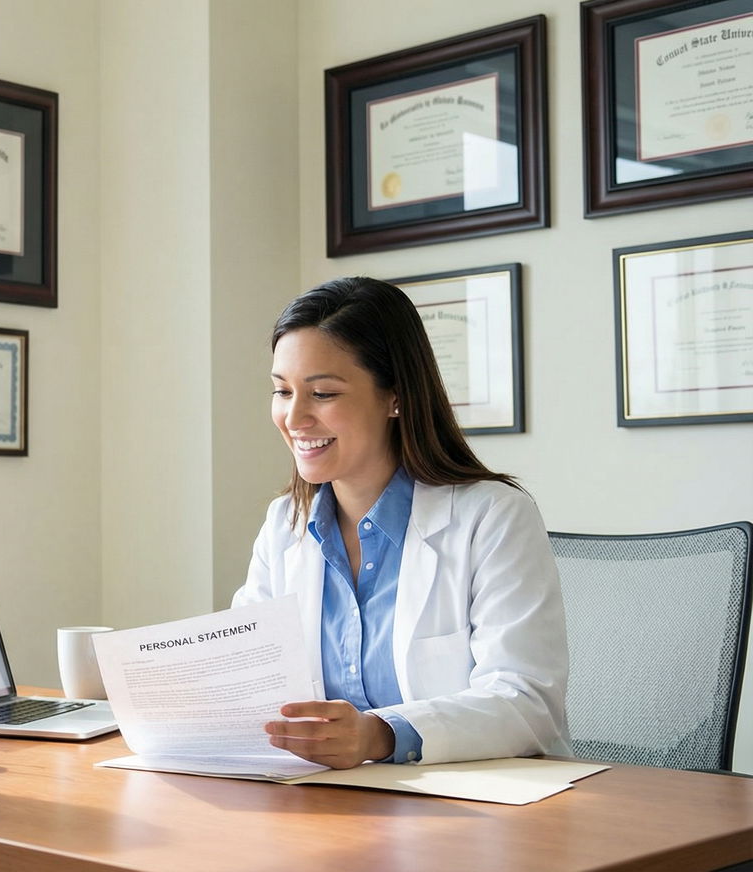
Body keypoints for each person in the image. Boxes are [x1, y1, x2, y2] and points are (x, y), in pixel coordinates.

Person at [234, 276, 568, 769]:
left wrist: (378, 736)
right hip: (327, 802)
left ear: (395, 397)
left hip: (469, 809)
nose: (294, 417)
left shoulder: (492, 515)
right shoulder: (287, 522)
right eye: (282, 391)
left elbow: (526, 702)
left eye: (322, 393)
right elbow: (251, 673)